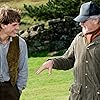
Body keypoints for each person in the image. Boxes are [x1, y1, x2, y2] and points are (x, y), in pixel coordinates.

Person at [36, 1, 100, 100]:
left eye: (83, 21)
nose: (80, 24)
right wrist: (53, 62)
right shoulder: (78, 38)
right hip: (78, 96)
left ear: (96, 20)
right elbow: (69, 60)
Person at [0, 5, 28, 100]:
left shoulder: (20, 43)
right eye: (14, 25)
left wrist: (17, 90)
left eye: (18, 24)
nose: (18, 28)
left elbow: (23, 68)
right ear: (3, 25)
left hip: (10, 90)